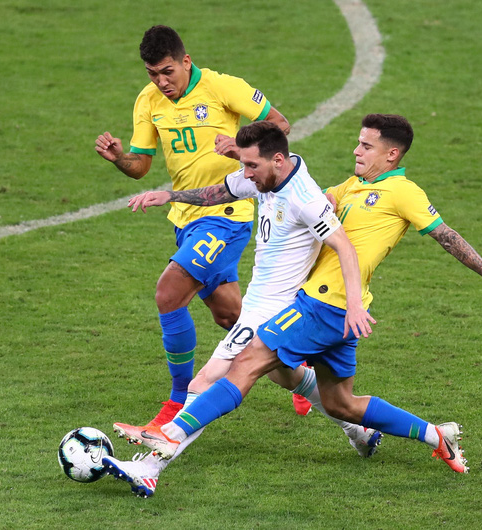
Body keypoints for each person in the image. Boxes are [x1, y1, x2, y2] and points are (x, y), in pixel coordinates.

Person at [113, 114, 482, 483]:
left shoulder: (403, 193)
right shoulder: (351, 185)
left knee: (240, 367)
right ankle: (433, 435)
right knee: (341, 403)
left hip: (324, 306)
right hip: (326, 307)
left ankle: (159, 452)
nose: (356, 150)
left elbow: (443, 236)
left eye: (366, 145)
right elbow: (295, 191)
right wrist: (227, 171)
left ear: (391, 155)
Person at [104, 121, 382, 497]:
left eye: (251, 165)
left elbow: (345, 248)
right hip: (257, 299)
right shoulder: (266, 174)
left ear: (278, 160)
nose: (245, 173)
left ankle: (149, 469)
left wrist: (353, 306)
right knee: (286, 377)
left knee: (205, 381)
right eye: (244, 164)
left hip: (273, 309)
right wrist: (169, 197)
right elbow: (219, 192)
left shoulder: (305, 197)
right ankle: (359, 429)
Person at [95, 25, 291, 426]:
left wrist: (240, 150)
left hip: (227, 215)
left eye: (168, 71)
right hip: (185, 216)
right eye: (153, 74)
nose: (161, 82)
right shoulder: (148, 101)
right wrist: (119, 158)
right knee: (232, 318)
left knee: (169, 293)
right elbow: (141, 165)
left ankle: (176, 402)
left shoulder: (222, 87)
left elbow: (280, 126)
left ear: (186, 61)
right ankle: (301, 369)